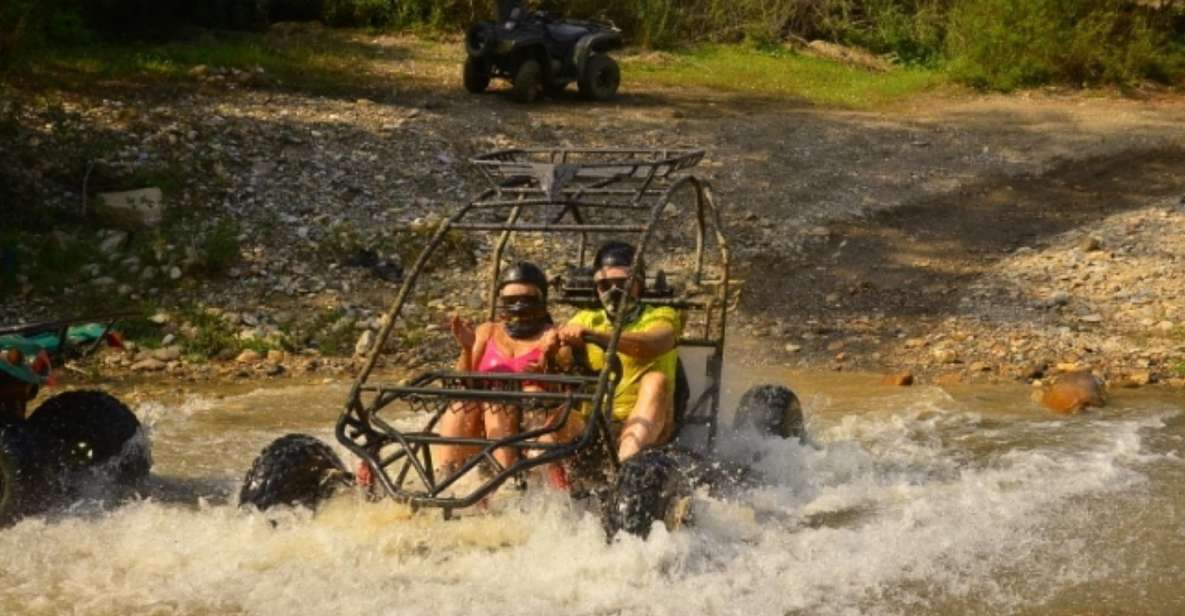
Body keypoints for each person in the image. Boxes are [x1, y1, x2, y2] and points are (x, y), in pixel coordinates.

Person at [558, 241, 682, 461]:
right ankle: (526, 481)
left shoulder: (660, 315)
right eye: (605, 285)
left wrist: (596, 336)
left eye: (623, 283)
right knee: (547, 406)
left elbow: (652, 344)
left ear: (639, 284)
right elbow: (559, 360)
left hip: (653, 426)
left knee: (655, 380)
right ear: (596, 288)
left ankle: (626, 466)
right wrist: (558, 346)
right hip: (595, 425)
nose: (614, 292)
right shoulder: (587, 319)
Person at [434, 261, 559, 473]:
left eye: (526, 300)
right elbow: (465, 381)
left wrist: (547, 365)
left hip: (530, 418)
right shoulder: (487, 331)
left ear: (541, 301)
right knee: (460, 407)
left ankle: (505, 479)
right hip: (483, 418)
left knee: (502, 405)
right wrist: (467, 348)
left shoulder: (553, 336)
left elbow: (566, 388)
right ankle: (447, 477)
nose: (519, 307)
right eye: (511, 301)